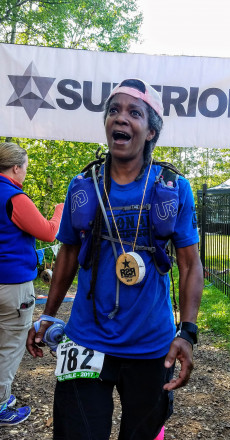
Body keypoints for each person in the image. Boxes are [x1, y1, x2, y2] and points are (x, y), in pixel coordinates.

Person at [27, 79, 203, 440]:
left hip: (151, 346)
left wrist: (187, 331)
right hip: (85, 339)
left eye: (133, 113)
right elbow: (68, 253)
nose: (120, 118)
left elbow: (189, 263)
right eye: (113, 111)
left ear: (151, 131)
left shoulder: (171, 188)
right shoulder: (83, 185)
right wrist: (47, 314)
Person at [0, 142, 64, 426]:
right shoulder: (14, 197)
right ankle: (1, 405)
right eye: (25, 168)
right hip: (12, 286)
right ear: (16, 168)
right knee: (10, 345)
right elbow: (49, 233)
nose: (25, 173)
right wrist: (61, 209)